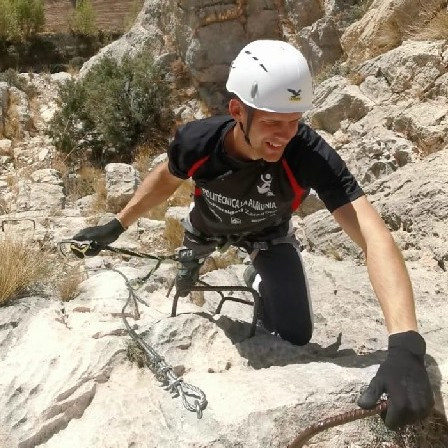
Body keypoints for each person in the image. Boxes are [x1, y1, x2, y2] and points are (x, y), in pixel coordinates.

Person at [72, 40, 434, 429]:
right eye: (273, 122)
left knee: (295, 334)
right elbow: (166, 178)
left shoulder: (308, 153)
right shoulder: (199, 141)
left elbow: (373, 236)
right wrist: (117, 225)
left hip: (268, 235)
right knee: (185, 281)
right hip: (206, 229)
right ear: (237, 111)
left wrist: (406, 345)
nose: (286, 134)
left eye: (294, 121)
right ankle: (195, 266)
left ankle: (257, 276)